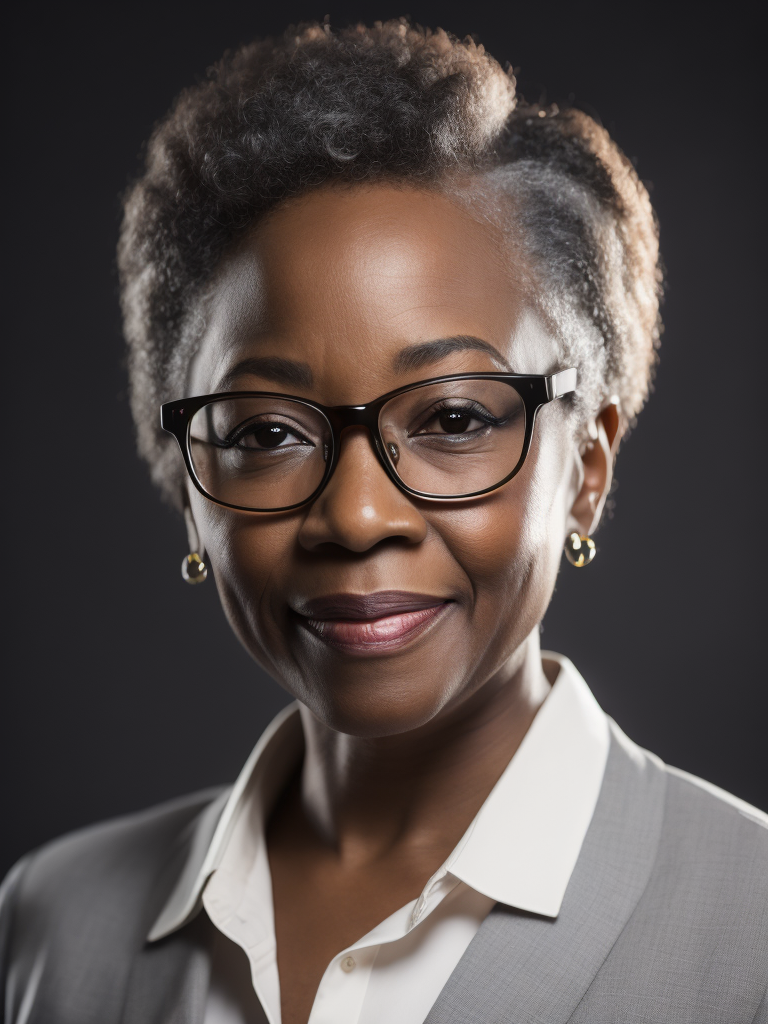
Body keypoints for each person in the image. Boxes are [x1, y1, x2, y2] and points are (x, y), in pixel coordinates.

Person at [1, 20, 766, 1024]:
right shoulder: (54, 925)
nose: (356, 515)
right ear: (189, 484)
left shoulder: (748, 928)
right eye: (268, 431)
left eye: (453, 418)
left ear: (587, 465)